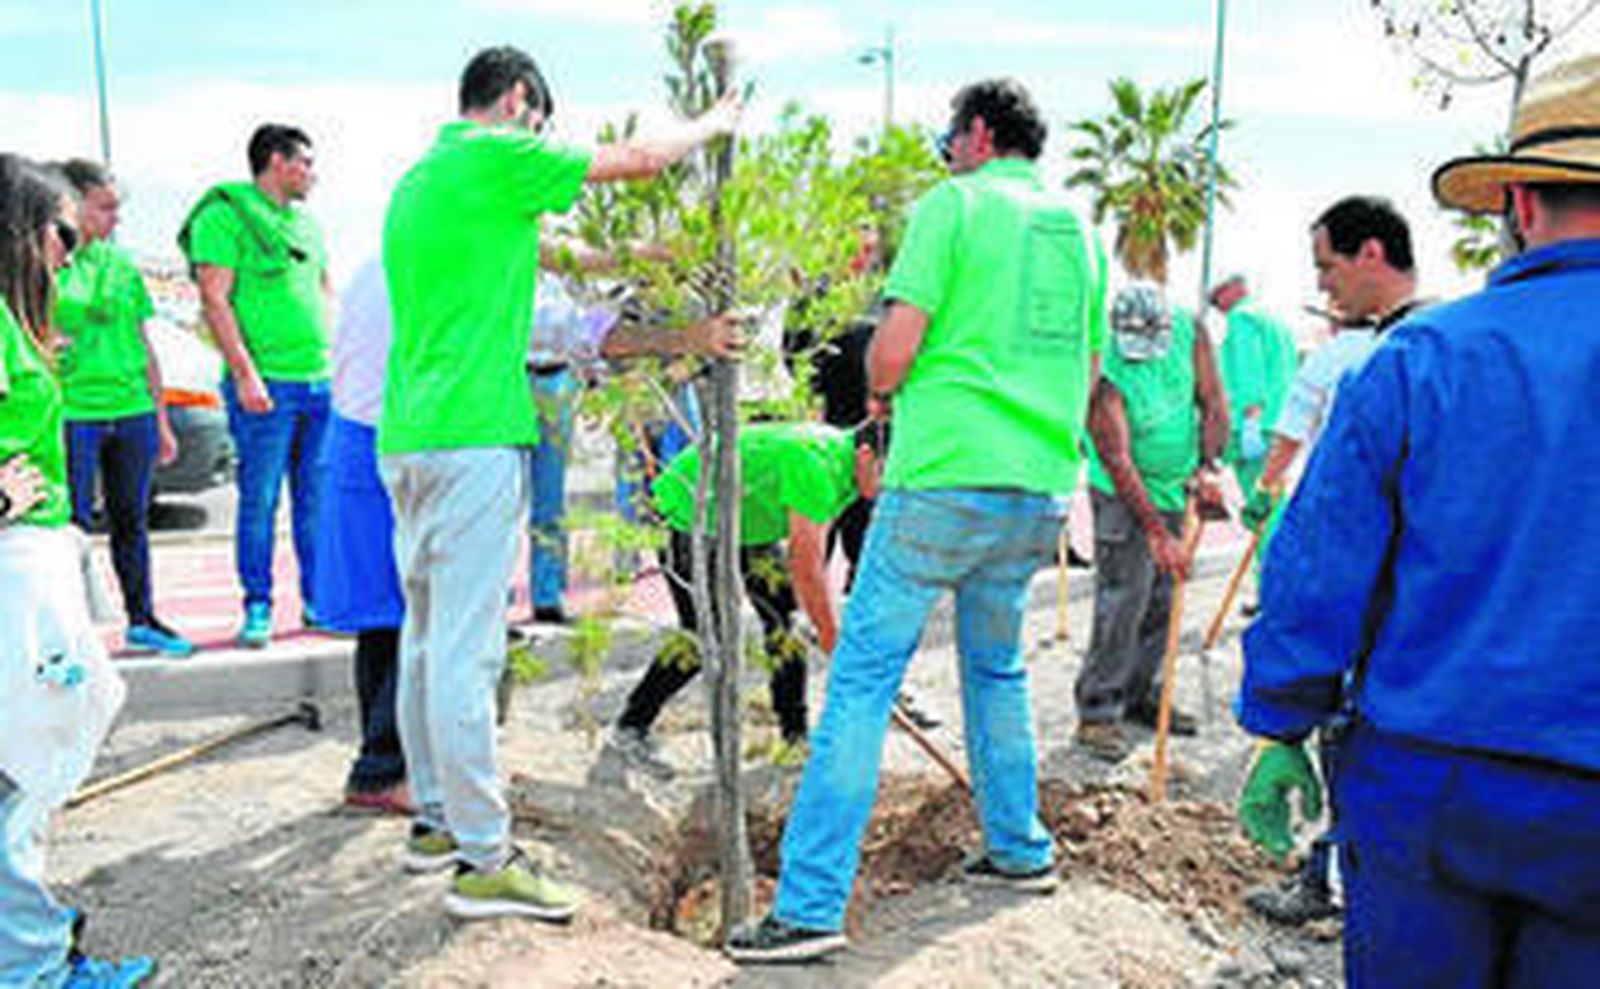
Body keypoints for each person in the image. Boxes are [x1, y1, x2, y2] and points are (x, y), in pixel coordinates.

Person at [1237, 55, 1600, 987]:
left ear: (1519, 202)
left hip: (1428, 782)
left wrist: (1282, 720)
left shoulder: (1418, 358)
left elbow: (1321, 570)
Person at [730, 78, 1106, 964]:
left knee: (861, 681)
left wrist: (886, 385)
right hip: (1038, 486)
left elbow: (890, 356)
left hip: (944, 474)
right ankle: (1018, 848)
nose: (946, 153)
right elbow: (1089, 369)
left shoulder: (955, 205)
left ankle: (809, 904)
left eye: (949, 139)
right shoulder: (1081, 231)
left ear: (977, 134)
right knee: (997, 669)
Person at [378, 45, 740, 922]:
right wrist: (716, 119)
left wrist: (662, 254)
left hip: (411, 439)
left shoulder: (423, 183)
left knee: (425, 641)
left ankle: (435, 820)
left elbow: (565, 253)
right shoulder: (495, 154)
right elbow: (640, 160)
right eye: (540, 124)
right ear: (518, 101)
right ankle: (485, 859)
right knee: (467, 654)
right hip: (472, 437)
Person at [1239, 195, 1423, 927]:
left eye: (1327, 265)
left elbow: (1325, 556)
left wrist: (1282, 719)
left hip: (1386, 644)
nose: (1322, 284)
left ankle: (1330, 881)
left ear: (1370, 252)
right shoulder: (1460, 348)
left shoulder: (1388, 364)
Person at [0, 153, 154, 987]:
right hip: (11, 570)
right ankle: (31, 963)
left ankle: (32, 952)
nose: (75, 250)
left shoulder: (15, 322)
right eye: (65, 233)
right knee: (18, 772)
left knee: (38, 755)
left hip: (33, 561)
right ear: (22, 231)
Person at [607, 421, 887, 778]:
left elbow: (813, 553)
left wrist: (820, 622)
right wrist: (832, 636)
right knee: (706, 635)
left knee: (785, 622)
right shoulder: (817, 465)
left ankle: (795, 738)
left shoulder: (848, 470)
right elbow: (806, 563)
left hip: (744, 520)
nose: (892, 485)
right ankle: (631, 725)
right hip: (692, 511)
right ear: (866, 455)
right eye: (887, 473)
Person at [178, 123, 332, 648]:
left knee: (316, 500)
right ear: (276, 162)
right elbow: (214, 299)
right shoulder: (225, 215)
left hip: (319, 382)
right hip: (267, 387)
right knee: (260, 500)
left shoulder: (308, 225)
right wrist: (246, 373)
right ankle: (258, 605)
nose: (313, 173)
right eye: (305, 162)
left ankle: (318, 600)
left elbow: (324, 292)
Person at [1072, 282, 1228, 762]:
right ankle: (1099, 710)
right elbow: (1116, 457)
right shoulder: (1105, 366)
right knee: (1124, 599)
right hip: (1122, 492)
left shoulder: (1190, 332)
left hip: (1174, 485)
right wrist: (1155, 532)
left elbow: (1213, 402)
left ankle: (1141, 694)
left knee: (1164, 597)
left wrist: (1207, 468)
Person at [52, 159, 193, 658]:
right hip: (73, 412)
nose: (116, 217)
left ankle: (142, 619)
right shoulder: (44, 262)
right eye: (105, 207)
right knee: (70, 528)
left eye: (118, 207)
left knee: (131, 520)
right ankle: (69, 634)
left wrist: (161, 420)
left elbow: (143, 342)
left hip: (132, 410)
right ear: (71, 205)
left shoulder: (122, 265)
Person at [1210, 272, 1296, 517]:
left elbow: (1249, 371)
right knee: (1271, 499)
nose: (1218, 307)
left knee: (1261, 506)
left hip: (1252, 424)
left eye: (1217, 299)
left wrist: (1251, 420)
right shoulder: (1276, 320)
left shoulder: (1241, 317)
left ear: (1232, 289)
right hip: (1279, 421)